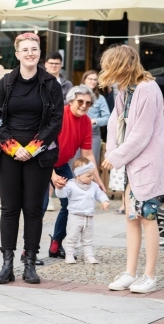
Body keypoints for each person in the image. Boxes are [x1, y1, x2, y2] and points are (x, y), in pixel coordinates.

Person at [0, 33, 63, 285]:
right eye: (25, 50)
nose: (30, 53)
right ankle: (6, 264)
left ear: (39, 53)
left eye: (34, 49)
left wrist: (32, 147)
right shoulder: (5, 83)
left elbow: (56, 122)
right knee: (9, 209)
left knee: (33, 210)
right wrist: (13, 147)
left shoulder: (51, 84)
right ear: (17, 54)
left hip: (38, 156)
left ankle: (30, 263)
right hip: (8, 154)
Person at [100, 45, 164, 293]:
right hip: (130, 164)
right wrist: (112, 153)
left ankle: (150, 275)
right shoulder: (124, 90)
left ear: (125, 66)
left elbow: (142, 133)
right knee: (131, 217)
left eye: (112, 67)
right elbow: (116, 124)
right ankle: (130, 271)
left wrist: (115, 156)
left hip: (147, 163)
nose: (109, 72)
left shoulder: (148, 89)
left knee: (148, 218)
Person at [47, 85, 106, 259]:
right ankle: (28, 250)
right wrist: (52, 175)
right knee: (39, 205)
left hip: (62, 164)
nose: (83, 105)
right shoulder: (59, 115)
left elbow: (87, 154)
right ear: (71, 100)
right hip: (42, 163)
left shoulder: (87, 121)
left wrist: (98, 180)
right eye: (80, 101)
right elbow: (43, 147)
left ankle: (56, 244)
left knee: (69, 204)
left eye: (88, 103)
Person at [55, 157, 109, 264]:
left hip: (89, 217)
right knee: (72, 237)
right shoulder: (71, 185)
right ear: (78, 175)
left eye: (92, 175)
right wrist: (60, 188)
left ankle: (88, 255)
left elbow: (100, 193)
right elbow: (62, 194)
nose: (92, 177)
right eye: (89, 176)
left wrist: (105, 201)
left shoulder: (93, 186)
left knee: (88, 239)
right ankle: (69, 254)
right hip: (75, 216)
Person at [80, 70, 110, 166]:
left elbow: (107, 118)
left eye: (95, 80)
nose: (93, 81)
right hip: (76, 132)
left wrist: (94, 121)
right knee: (74, 164)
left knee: (90, 165)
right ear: (84, 80)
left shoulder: (100, 98)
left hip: (93, 134)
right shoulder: (75, 93)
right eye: (90, 79)